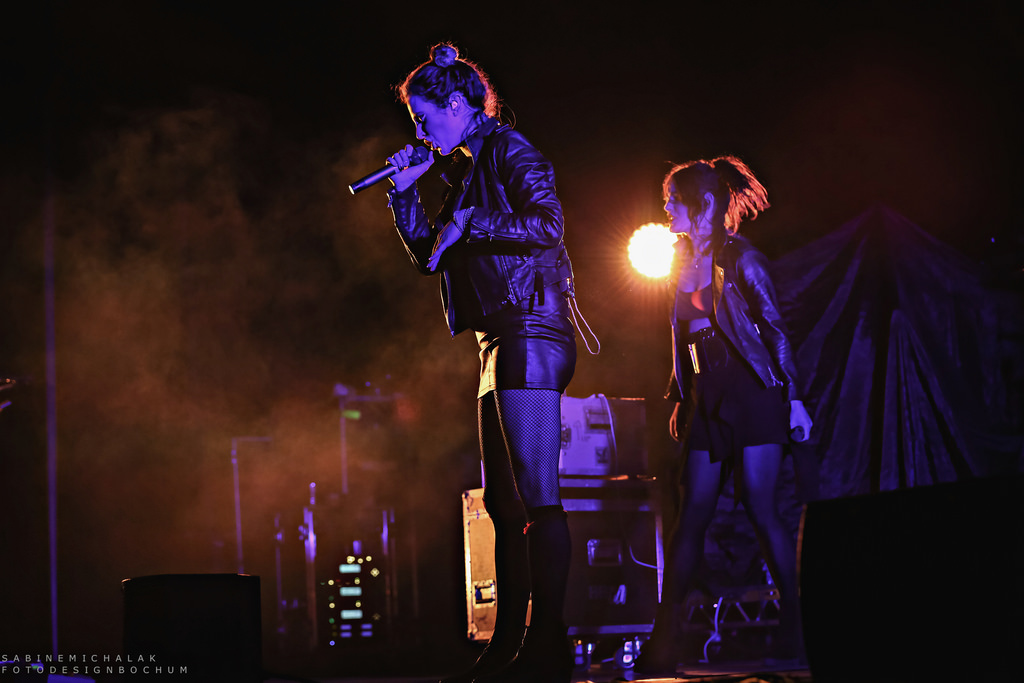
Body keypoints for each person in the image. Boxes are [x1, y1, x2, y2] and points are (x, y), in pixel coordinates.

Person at [382, 44, 579, 683]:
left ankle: (549, 647)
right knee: (502, 502)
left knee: (539, 496)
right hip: (497, 340)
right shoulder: (466, 172)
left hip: (532, 327)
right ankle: (505, 648)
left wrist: (473, 221)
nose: (420, 132)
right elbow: (430, 257)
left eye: (423, 118)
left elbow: (547, 226)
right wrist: (405, 195)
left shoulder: (511, 150)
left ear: (457, 105)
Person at [634, 156, 813, 675]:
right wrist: (680, 395)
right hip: (707, 399)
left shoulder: (742, 259)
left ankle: (796, 630)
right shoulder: (677, 263)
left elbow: (774, 330)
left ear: (705, 203)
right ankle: (664, 641)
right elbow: (683, 336)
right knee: (692, 514)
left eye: (673, 201)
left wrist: (794, 398)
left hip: (753, 393)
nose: (667, 210)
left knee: (760, 505)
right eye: (667, 202)